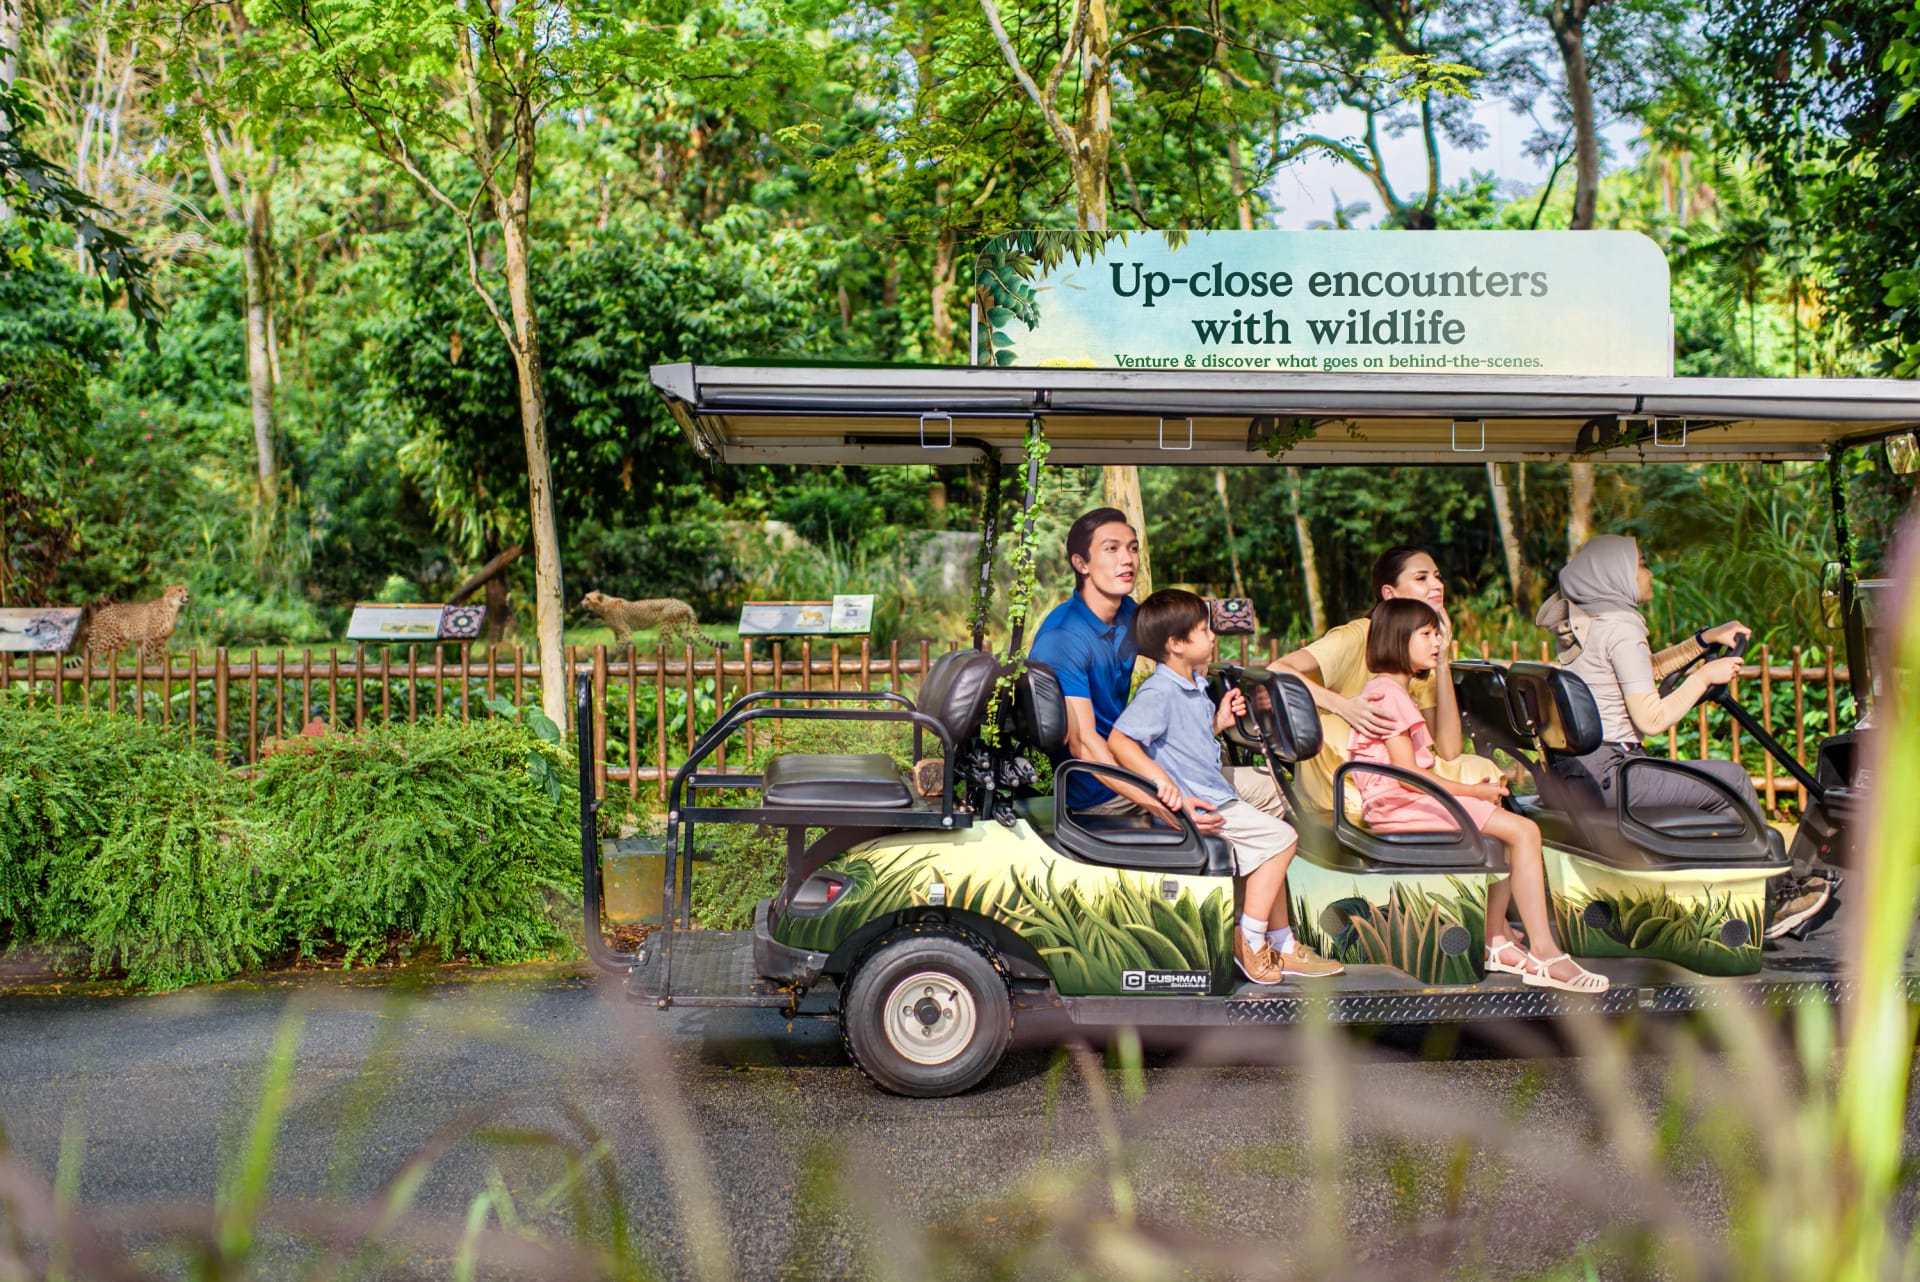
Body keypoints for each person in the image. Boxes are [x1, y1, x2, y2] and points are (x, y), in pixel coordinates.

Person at [1533, 534, 1836, 940]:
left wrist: (1703, 642)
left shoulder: (1590, 620)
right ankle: (1772, 900)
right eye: (1642, 564)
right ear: (1616, 574)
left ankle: (1730, 895)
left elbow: (1644, 672)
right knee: (1732, 780)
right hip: (1613, 775)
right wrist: (1704, 677)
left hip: (1580, 773)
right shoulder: (1621, 626)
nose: (1650, 572)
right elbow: (1652, 718)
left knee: (1721, 784)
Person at [1349, 599, 1608, 994]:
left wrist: (1480, 794)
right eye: (1426, 634)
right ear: (1398, 639)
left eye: (1437, 634)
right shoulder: (1388, 693)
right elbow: (1408, 776)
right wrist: (1473, 790)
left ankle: (1495, 941)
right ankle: (1544, 954)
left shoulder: (1390, 690)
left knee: (1504, 821)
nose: (1437, 642)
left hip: (1400, 800)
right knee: (1525, 832)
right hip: (1397, 805)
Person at [1109, 590, 1343, 983]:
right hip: (1202, 795)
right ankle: (1249, 938)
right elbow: (1120, 741)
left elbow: (1185, 739)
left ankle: (1280, 937)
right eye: (1203, 630)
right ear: (1176, 644)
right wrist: (1165, 786)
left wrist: (1218, 722)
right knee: (1283, 839)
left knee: (1276, 793)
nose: (1212, 636)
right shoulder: (1159, 691)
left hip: (1210, 781)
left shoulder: (1191, 683)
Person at [1028, 508, 1293, 828]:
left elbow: (1182, 648)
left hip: (1143, 765)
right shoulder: (1063, 638)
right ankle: (1224, 853)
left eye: (1133, 548)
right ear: (1081, 563)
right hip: (1105, 792)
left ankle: (1234, 856)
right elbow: (1084, 745)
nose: (1127, 559)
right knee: (1268, 800)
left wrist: (1211, 719)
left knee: (1275, 786)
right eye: (1111, 549)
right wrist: (1167, 806)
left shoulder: (1126, 614)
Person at [1275, 546, 1502, 815]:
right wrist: (1343, 706)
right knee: (1475, 785)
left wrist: (1442, 661)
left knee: (1478, 770)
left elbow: (1449, 751)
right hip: (1347, 775)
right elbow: (1278, 669)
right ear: (1389, 594)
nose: (1437, 585)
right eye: (1421, 578)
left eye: (1437, 576)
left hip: (1397, 768)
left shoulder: (1420, 654)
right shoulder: (1357, 635)